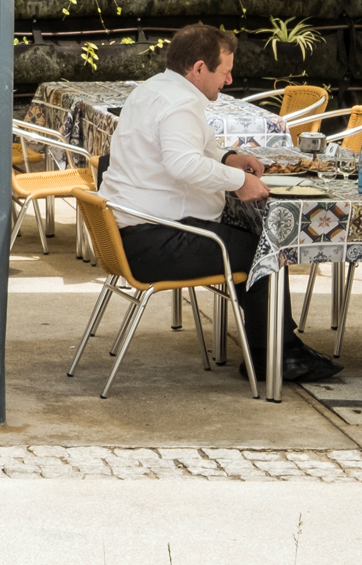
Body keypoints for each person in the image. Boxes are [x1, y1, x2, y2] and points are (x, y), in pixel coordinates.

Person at [101, 23, 341, 386]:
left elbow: (194, 150)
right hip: (153, 241)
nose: (228, 81)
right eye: (224, 71)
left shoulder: (152, 89)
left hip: (129, 234)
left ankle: (274, 346)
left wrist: (229, 158)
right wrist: (241, 181)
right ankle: (276, 356)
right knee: (268, 247)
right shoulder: (180, 103)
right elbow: (182, 163)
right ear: (199, 68)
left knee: (249, 237)